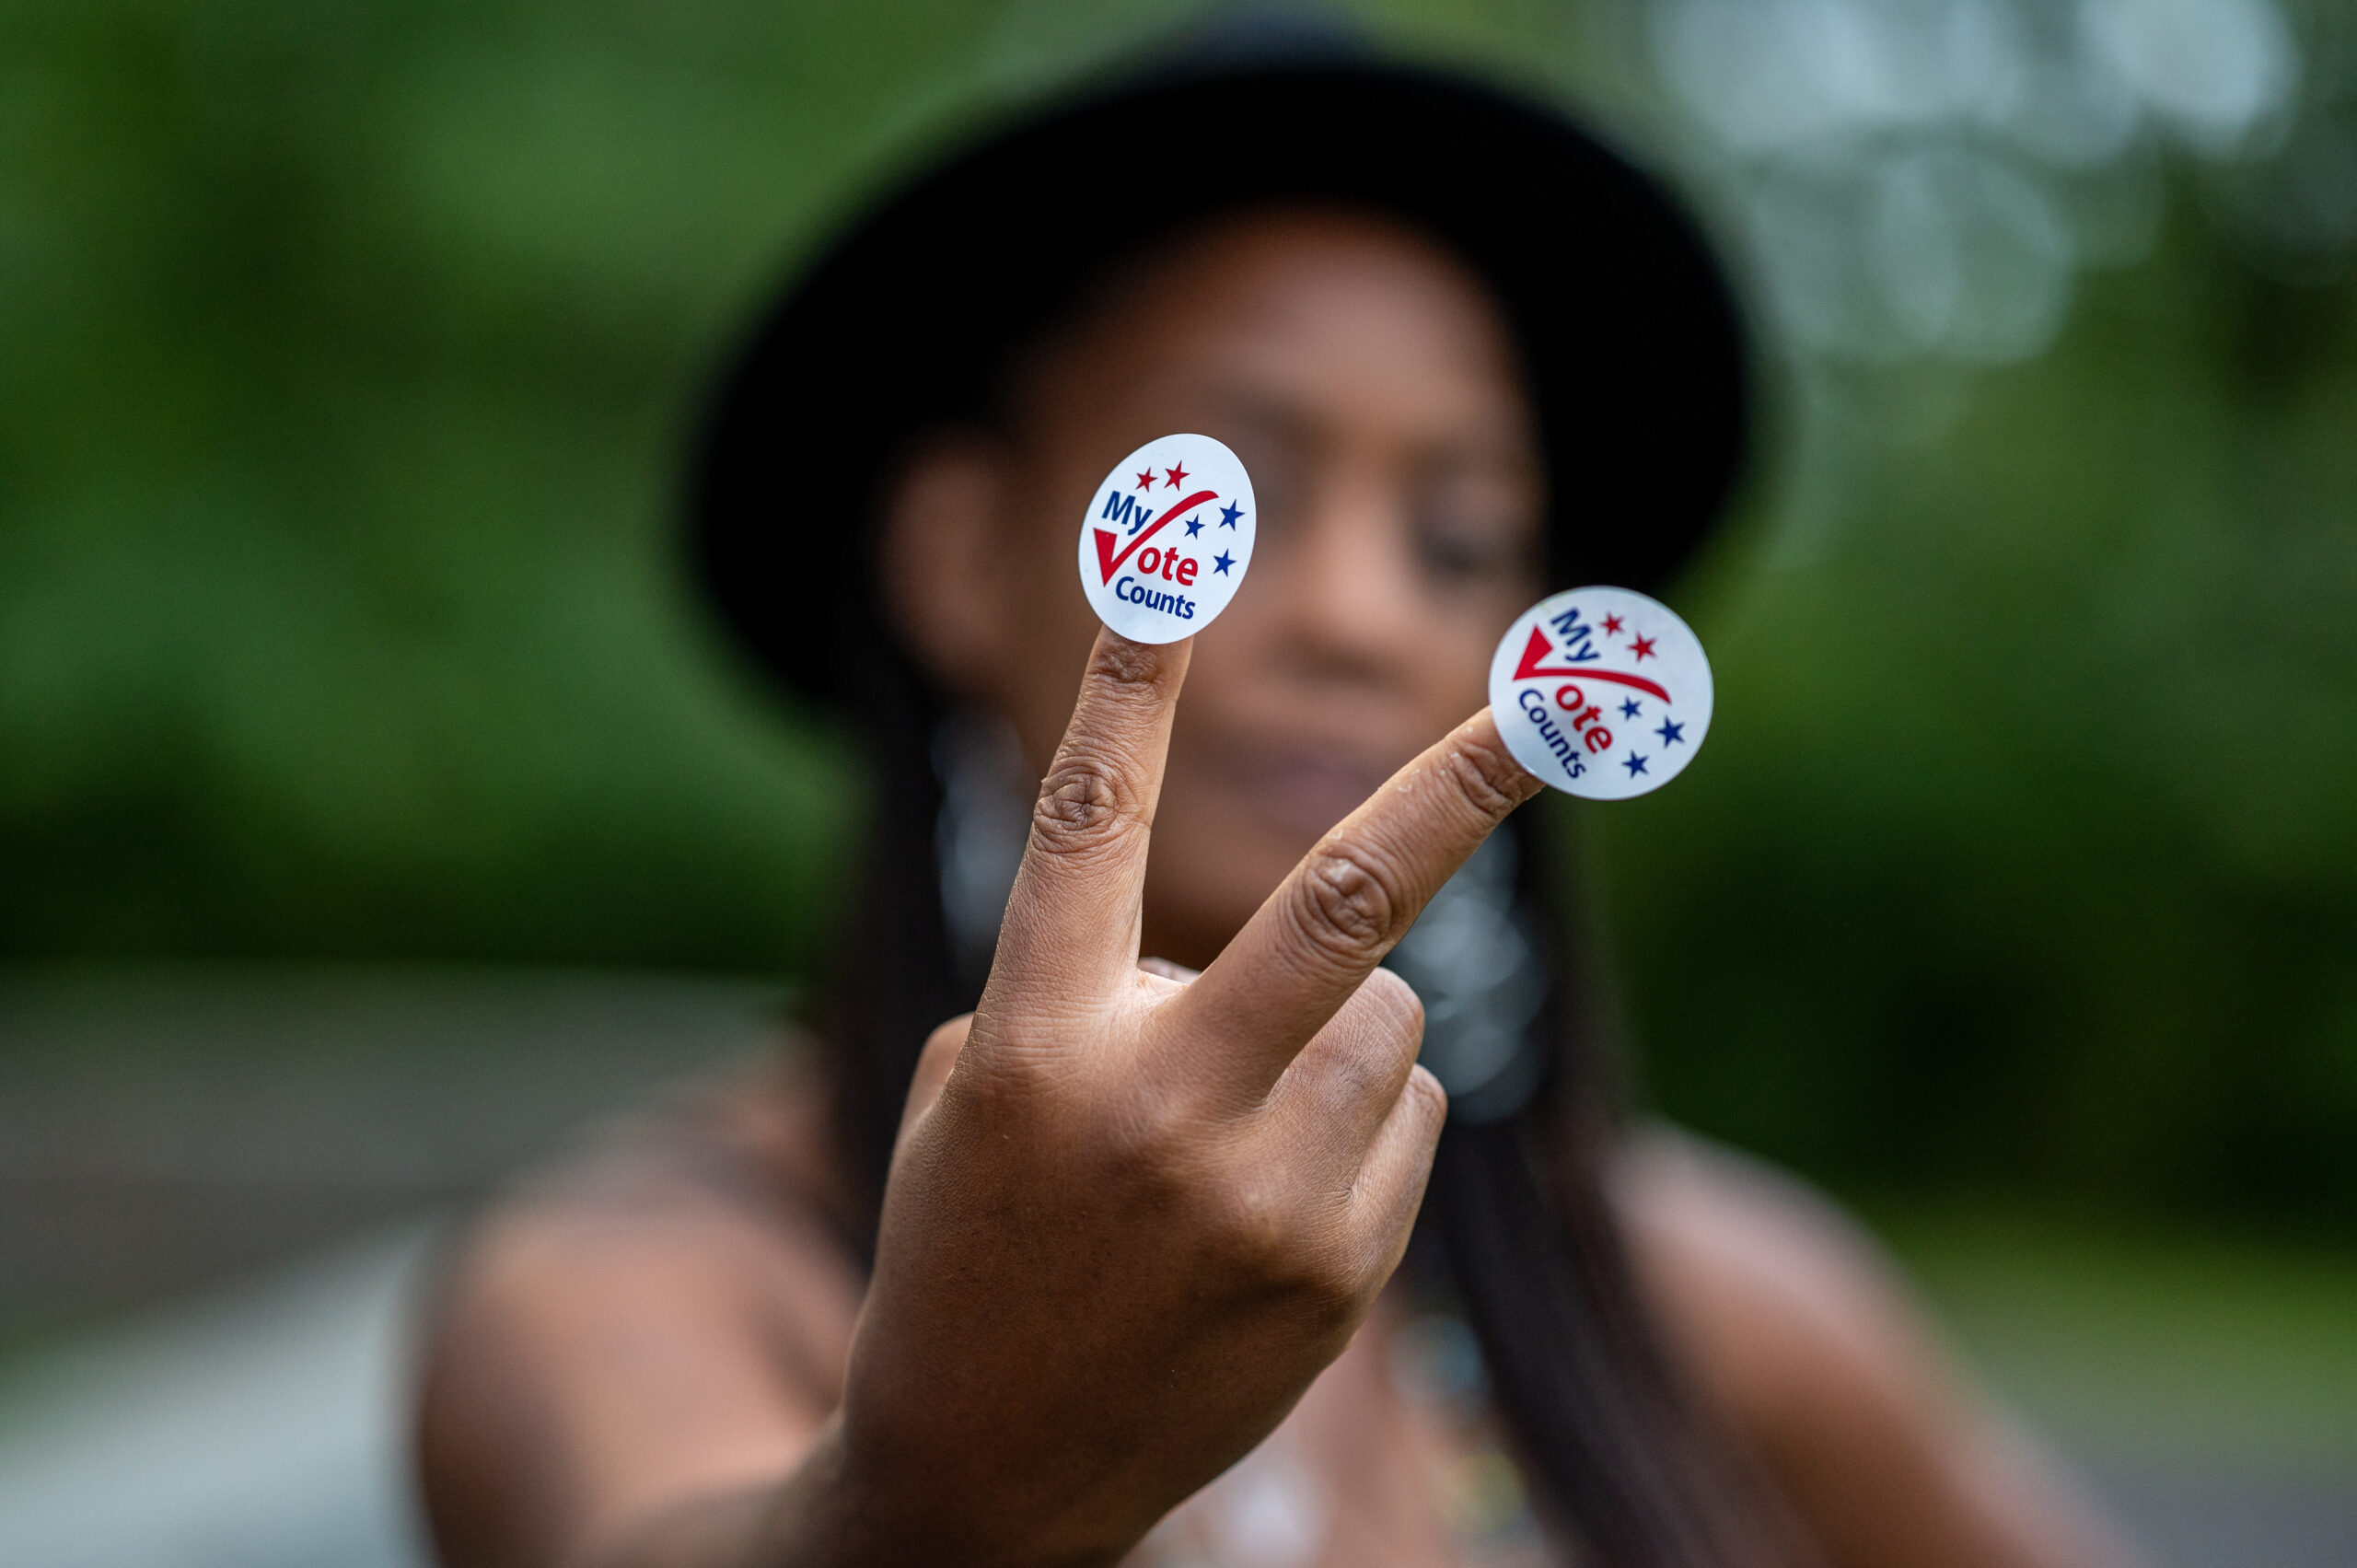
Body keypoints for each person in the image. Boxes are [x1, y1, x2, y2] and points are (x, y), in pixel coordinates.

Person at [414, 30, 2148, 1568]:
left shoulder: (1722, 1309)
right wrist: (939, 1508)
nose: (1359, 617)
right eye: (1230, 500)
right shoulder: (635, 1287)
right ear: (957, 555)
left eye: (1459, 537)